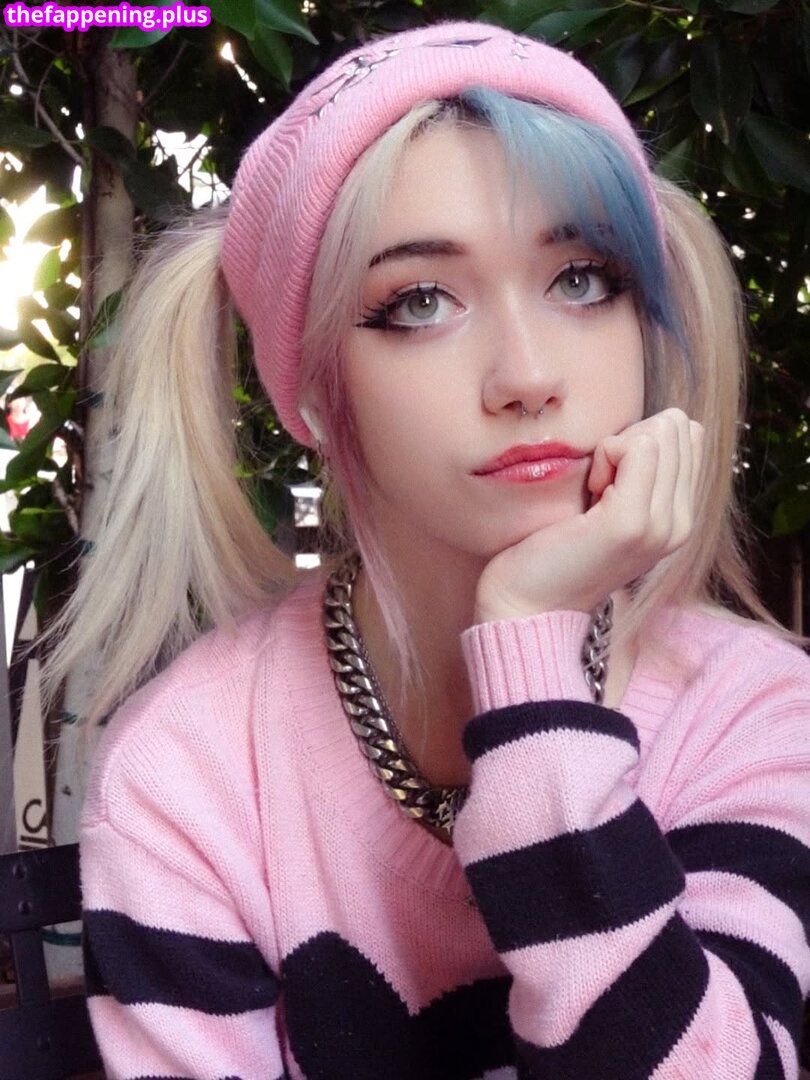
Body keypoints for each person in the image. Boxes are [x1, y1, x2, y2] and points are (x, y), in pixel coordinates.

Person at [48, 20, 809, 1080]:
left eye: (583, 279)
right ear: (316, 390)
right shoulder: (191, 770)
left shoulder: (755, 710)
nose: (528, 375)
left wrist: (531, 656)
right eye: (420, 301)